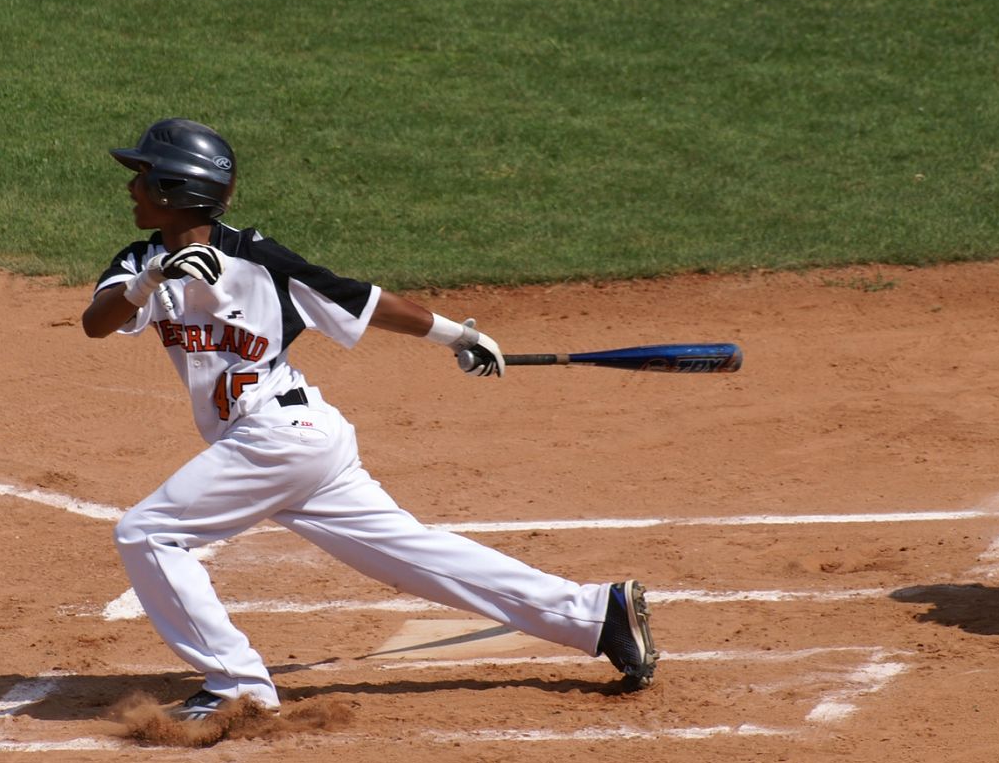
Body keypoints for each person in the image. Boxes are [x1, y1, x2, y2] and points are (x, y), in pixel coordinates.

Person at [81, 118, 657, 721]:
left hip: (278, 437)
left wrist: (458, 335)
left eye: (143, 176)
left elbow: (362, 299)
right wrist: (151, 279)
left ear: (176, 188)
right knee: (410, 557)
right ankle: (596, 614)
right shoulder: (140, 261)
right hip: (292, 445)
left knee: (147, 532)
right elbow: (98, 322)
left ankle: (236, 686)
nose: (131, 188)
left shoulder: (260, 261)